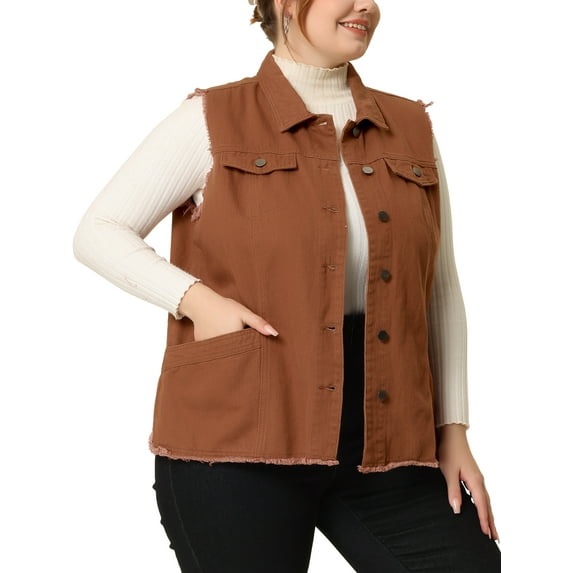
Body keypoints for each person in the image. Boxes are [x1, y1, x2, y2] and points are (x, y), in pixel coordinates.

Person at [73, 0, 501, 571]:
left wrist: (453, 429)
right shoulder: (212, 118)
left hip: (388, 438)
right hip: (238, 438)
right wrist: (198, 302)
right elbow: (99, 230)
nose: (367, 6)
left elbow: (439, 288)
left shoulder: (410, 126)